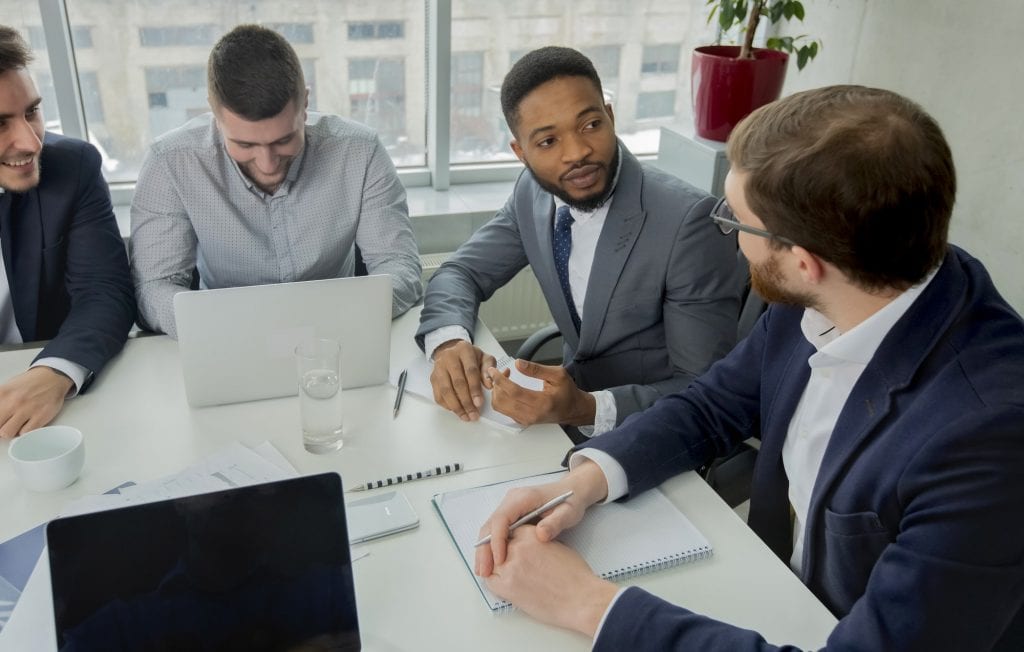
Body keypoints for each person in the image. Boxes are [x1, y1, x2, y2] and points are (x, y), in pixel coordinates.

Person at [474, 85, 1024, 650]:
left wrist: (587, 604)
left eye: (738, 223)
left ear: (805, 263)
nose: (730, 237)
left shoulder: (989, 440)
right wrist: (582, 483)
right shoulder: (850, 279)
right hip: (778, 595)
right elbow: (713, 405)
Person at [417, 47, 740, 434]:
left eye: (590, 125)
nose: (578, 153)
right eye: (548, 142)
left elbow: (704, 390)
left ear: (611, 116)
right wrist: (449, 345)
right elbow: (461, 272)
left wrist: (586, 408)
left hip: (651, 429)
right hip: (563, 418)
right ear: (522, 154)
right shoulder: (533, 193)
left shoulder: (688, 222)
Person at [130, 24, 422, 338]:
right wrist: (215, 326)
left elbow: (399, 266)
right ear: (215, 115)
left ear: (305, 103)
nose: (268, 164)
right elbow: (154, 289)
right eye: (245, 145)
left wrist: (343, 315)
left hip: (337, 336)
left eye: (284, 140)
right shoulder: (171, 163)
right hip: (226, 340)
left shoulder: (360, 152)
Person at [0, 26, 135, 439]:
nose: (31, 140)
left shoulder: (71, 166)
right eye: (0, 124)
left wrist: (54, 371)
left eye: (32, 112)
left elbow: (104, 291)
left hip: (42, 407)